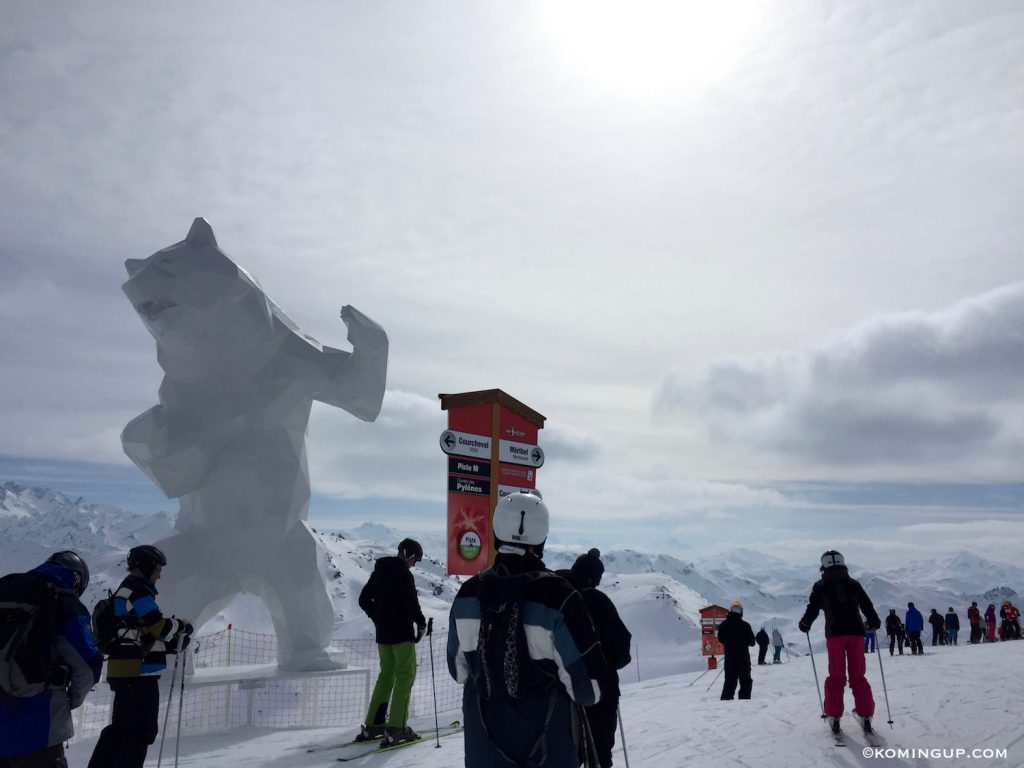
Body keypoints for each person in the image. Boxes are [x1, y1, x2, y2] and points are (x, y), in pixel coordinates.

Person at [447, 491, 608, 768]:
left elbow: (458, 670)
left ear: (496, 533)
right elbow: (588, 691)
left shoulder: (468, 595)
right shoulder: (561, 598)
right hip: (548, 750)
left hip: (484, 749)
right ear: (542, 539)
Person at [87, 544, 193, 768]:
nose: (159, 575)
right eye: (157, 569)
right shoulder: (138, 591)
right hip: (138, 674)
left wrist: (168, 644)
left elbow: (138, 635)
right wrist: (181, 626)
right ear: (144, 567)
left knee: (120, 730)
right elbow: (159, 628)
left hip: (125, 671)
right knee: (140, 732)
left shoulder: (126, 590)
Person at [0, 551, 103, 768]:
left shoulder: (7, 589)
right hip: (39, 726)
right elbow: (87, 664)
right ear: (77, 579)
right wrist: (72, 700)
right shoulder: (61, 600)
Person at [798, 550, 881, 736]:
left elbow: (813, 608)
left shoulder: (821, 586)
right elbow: (867, 605)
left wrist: (805, 623)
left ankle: (834, 716)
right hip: (857, 634)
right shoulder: (853, 584)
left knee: (836, 676)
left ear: (824, 566)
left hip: (835, 635)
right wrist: (873, 621)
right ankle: (866, 715)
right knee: (858, 675)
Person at [563, 548, 632, 768]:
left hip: (559, 690)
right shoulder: (597, 600)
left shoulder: (554, 594)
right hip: (600, 688)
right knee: (599, 753)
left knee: (563, 753)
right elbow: (621, 649)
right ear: (594, 577)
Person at [356, 537, 427, 746]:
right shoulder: (404, 574)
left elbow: (363, 600)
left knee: (386, 676)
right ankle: (397, 728)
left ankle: (373, 725)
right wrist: (421, 624)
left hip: (383, 636)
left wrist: (377, 618)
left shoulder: (379, 571)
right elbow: (412, 604)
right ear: (409, 555)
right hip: (402, 636)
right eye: (416, 560)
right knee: (405, 676)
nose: (415, 565)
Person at [716, 600, 755, 700]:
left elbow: (720, 639)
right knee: (745, 682)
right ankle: (744, 704)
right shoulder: (745, 625)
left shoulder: (723, 625)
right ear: (741, 611)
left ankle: (725, 706)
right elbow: (752, 642)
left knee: (729, 682)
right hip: (743, 659)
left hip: (730, 659)